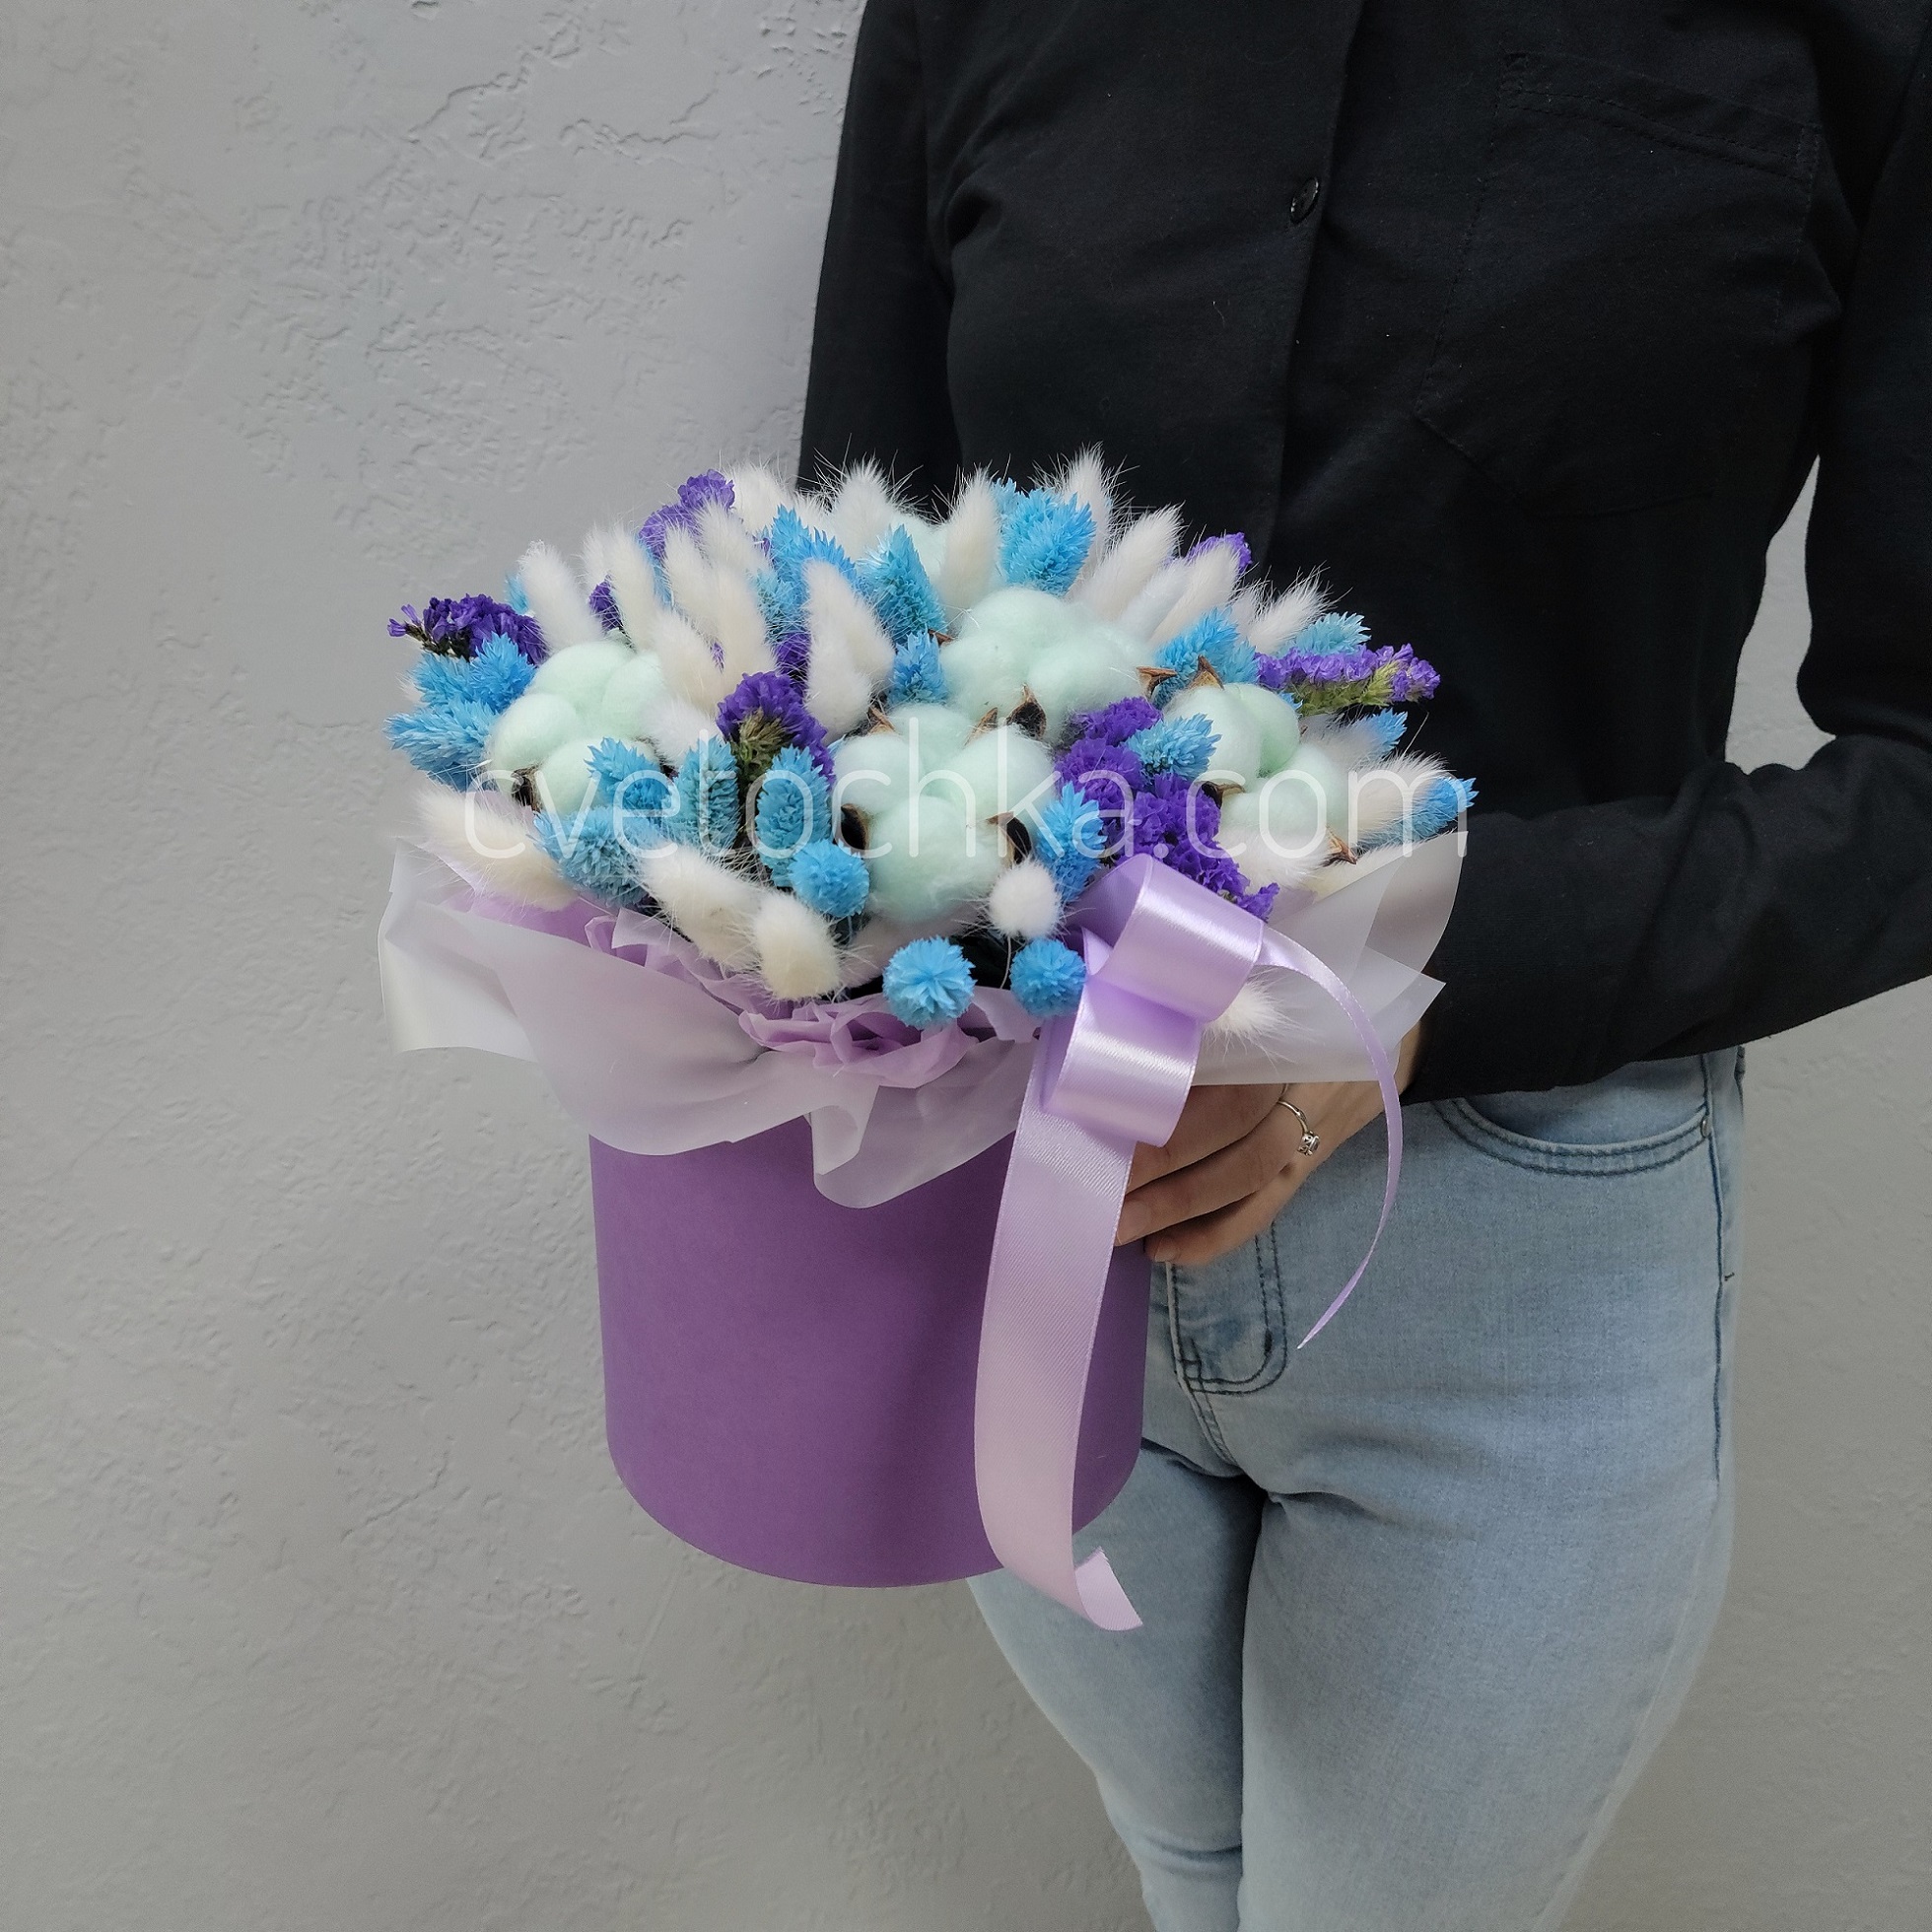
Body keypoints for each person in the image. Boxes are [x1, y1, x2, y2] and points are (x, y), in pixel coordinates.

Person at [795, 5, 1932, 1927]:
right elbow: (849, 611)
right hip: (1027, 1205)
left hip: (1510, 1266)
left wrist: (1420, 953)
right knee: (1194, 1876)